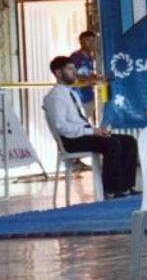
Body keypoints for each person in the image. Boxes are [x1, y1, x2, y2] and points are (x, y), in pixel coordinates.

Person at [42, 56, 139, 198]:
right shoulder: (55, 97)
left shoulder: (72, 93)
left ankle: (126, 186)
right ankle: (111, 190)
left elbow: (79, 121)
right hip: (71, 140)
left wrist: (96, 130)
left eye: (74, 69)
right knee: (112, 144)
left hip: (82, 134)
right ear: (58, 73)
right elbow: (62, 127)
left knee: (129, 140)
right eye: (70, 69)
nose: (74, 72)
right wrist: (92, 131)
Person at [69, 30, 103, 122]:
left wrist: (96, 78)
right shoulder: (76, 57)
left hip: (89, 95)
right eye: (88, 40)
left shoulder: (92, 58)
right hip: (79, 96)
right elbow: (73, 75)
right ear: (81, 41)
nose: (91, 44)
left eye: (93, 41)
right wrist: (91, 80)